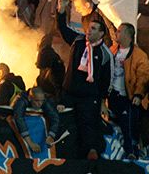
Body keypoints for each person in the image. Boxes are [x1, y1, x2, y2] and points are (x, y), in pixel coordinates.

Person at [59, 18, 113, 159]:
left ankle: (90, 158)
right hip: (69, 93)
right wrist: (61, 11)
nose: (89, 30)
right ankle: (67, 157)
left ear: (101, 33)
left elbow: (107, 80)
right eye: (89, 27)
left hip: (89, 97)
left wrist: (102, 100)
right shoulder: (78, 41)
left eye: (94, 28)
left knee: (87, 126)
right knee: (67, 124)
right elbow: (63, 29)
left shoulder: (105, 53)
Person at [109, 22, 149, 159]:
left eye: (119, 31)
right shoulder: (113, 50)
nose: (116, 33)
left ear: (128, 35)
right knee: (113, 124)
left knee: (129, 126)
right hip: (112, 95)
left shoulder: (139, 56)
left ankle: (132, 152)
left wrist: (138, 94)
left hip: (128, 97)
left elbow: (143, 76)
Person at [12, 87, 60, 153]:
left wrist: (51, 136)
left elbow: (55, 117)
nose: (40, 104)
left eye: (42, 101)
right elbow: (18, 118)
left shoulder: (45, 100)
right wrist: (30, 143)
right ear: (29, 98)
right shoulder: (21, 100)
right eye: (36, 101)